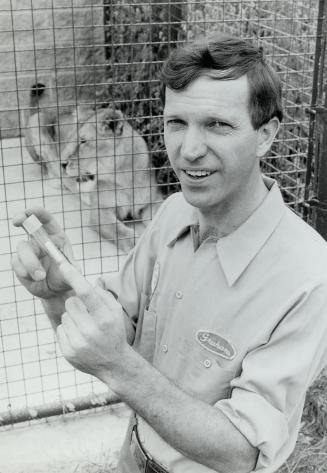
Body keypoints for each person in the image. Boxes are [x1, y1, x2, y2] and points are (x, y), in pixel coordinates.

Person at [12, 31, 327, 473]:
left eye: (218, 124)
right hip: (135, 451)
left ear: (265, 135)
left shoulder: (310, 275)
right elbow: (116, 326)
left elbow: (243, 453)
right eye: (176, 122)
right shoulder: (174, 211)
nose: (188, 151)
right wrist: (58, 292)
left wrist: (120, 368)